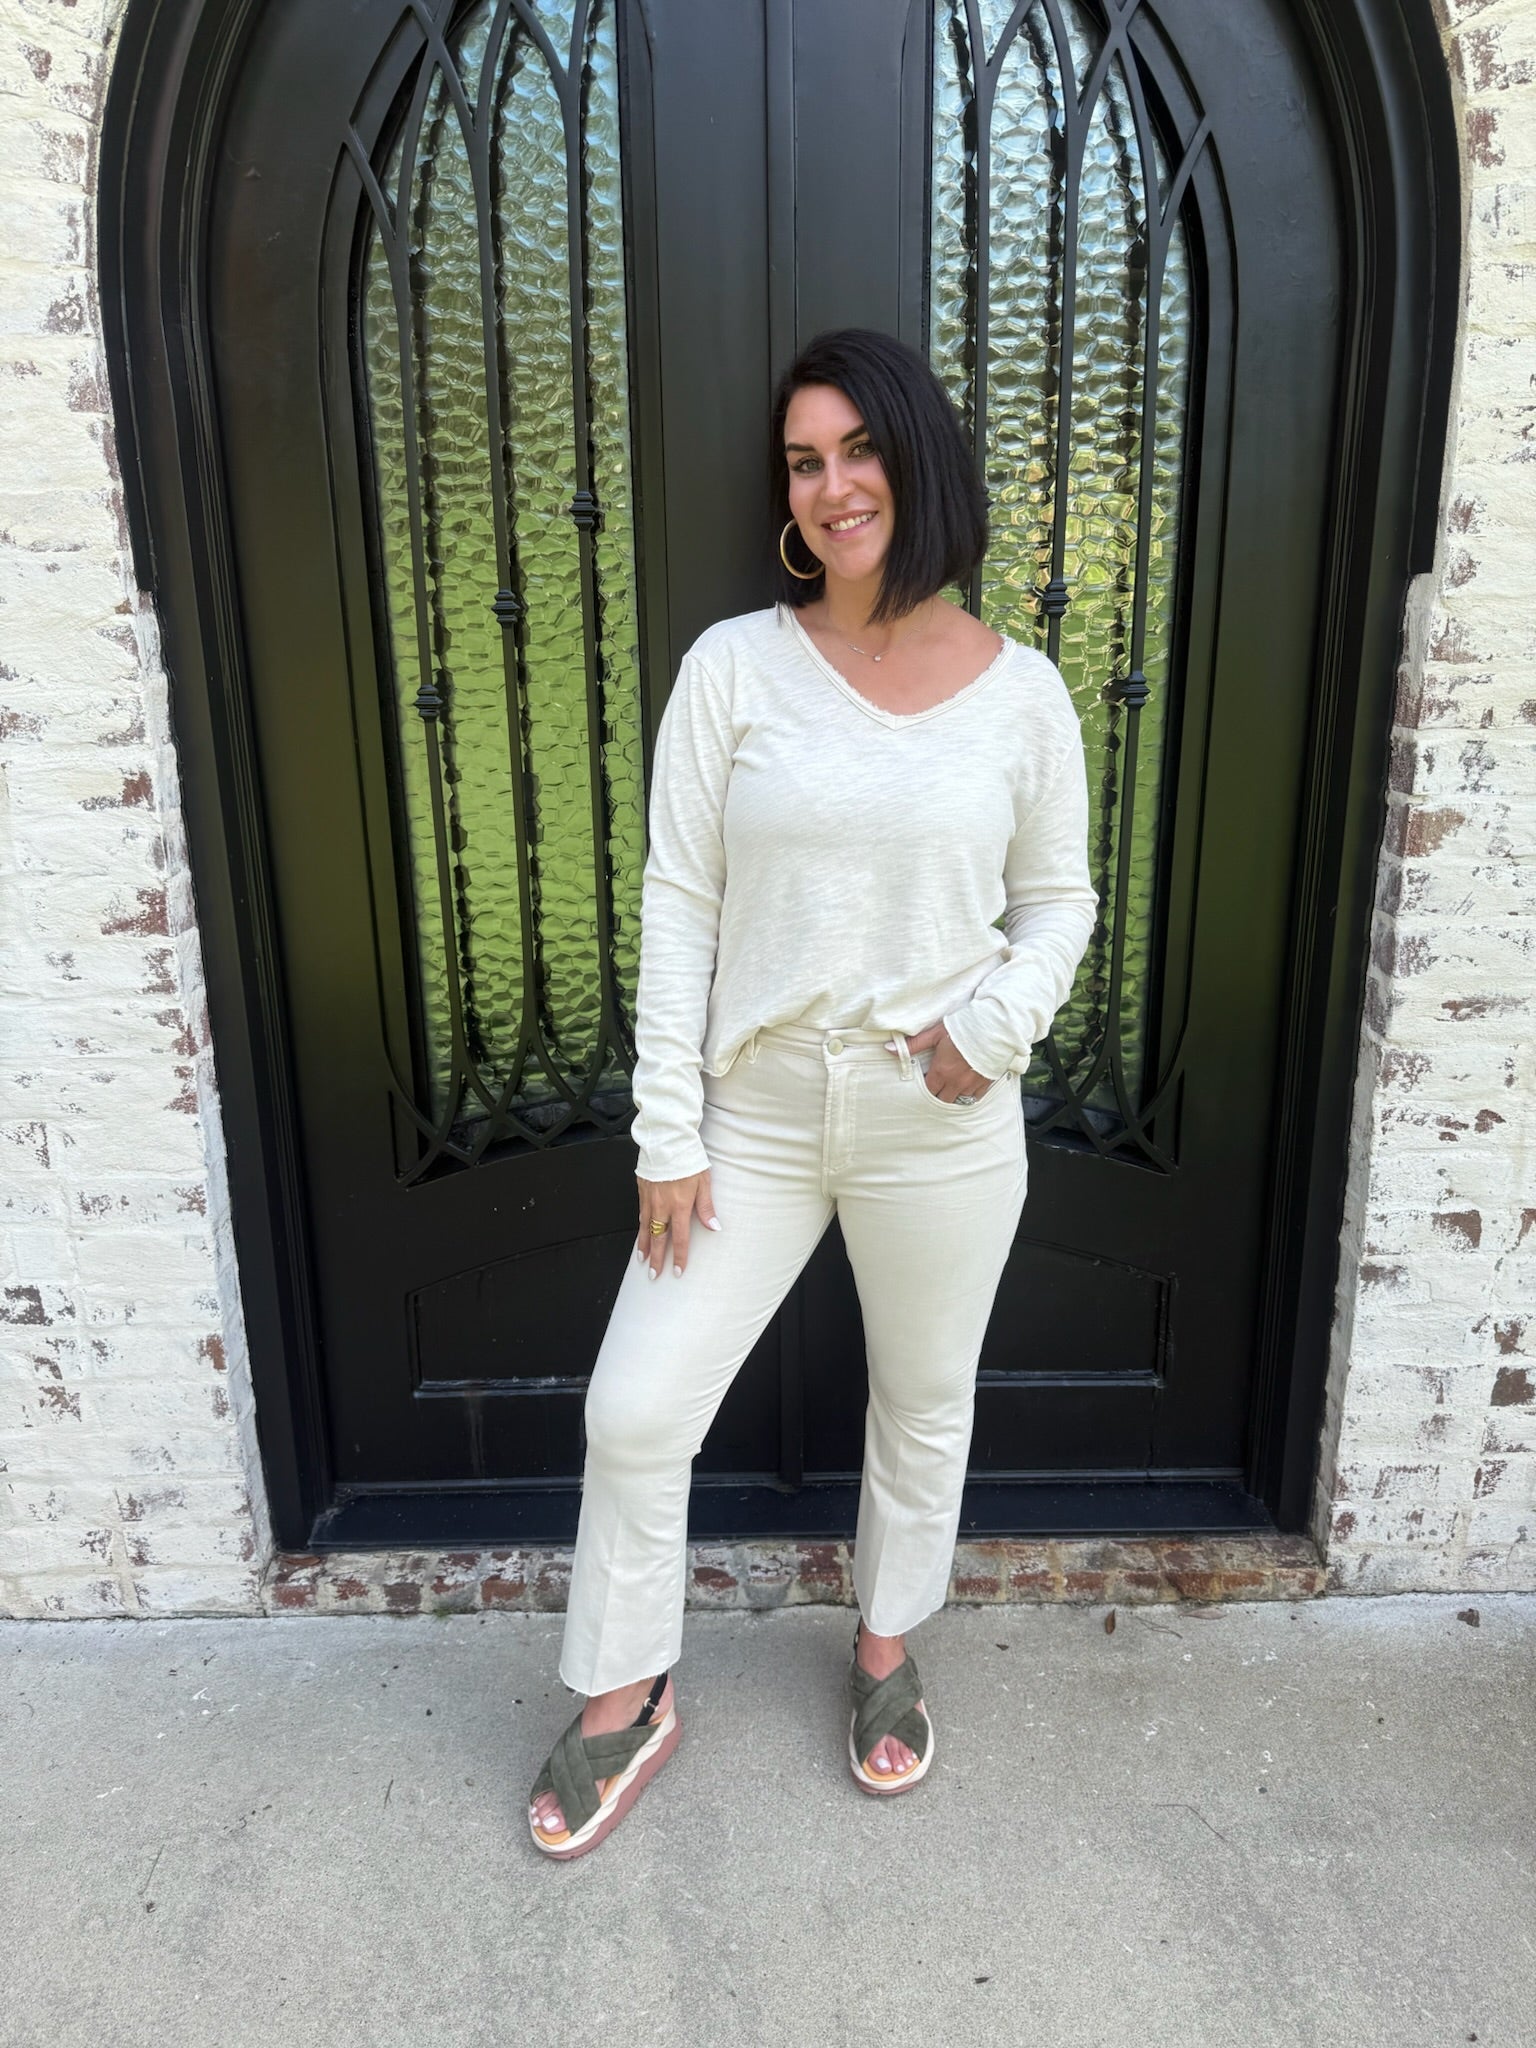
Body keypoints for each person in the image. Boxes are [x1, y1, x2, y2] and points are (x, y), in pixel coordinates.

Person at [528, 327, 1097, 1858]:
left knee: (920, 1398)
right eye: (804, 460)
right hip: (758, 1115)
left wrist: (995, 1030)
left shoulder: (1024, 697)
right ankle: (628, 1688)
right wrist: (666, 1130)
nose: (833, 485)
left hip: (941, 1119)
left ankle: (886, 1644)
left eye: (859, 449)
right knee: (635, 1406)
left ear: (917, 460)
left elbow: (1059, 901)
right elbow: (679, 902)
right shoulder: (735, 669)